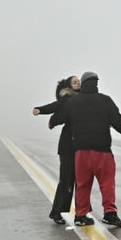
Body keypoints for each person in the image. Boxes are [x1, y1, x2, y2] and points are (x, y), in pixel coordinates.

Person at [49, 71, 121, 228]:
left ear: (83, 84)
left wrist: (52, 122)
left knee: (83, 185)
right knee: (107, 184)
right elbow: (119, 122)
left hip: (81, 153)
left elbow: (57, 118)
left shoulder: (74, 102)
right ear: (96, 83)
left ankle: (80, 216)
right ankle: (110, 214)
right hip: (103, 151)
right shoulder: (105, 101)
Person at [32, 75, 81, 224]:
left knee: (81, 182)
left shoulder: (85, 98)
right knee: (66, 181)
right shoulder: (66, 99)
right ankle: (56, 212)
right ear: (68, 86)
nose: (78, 82)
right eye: (75, 82)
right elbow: (53, 107)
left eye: (79, 81)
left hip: (81, 146)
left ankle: (82, 213)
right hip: (67, 147)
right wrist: (40, 110)